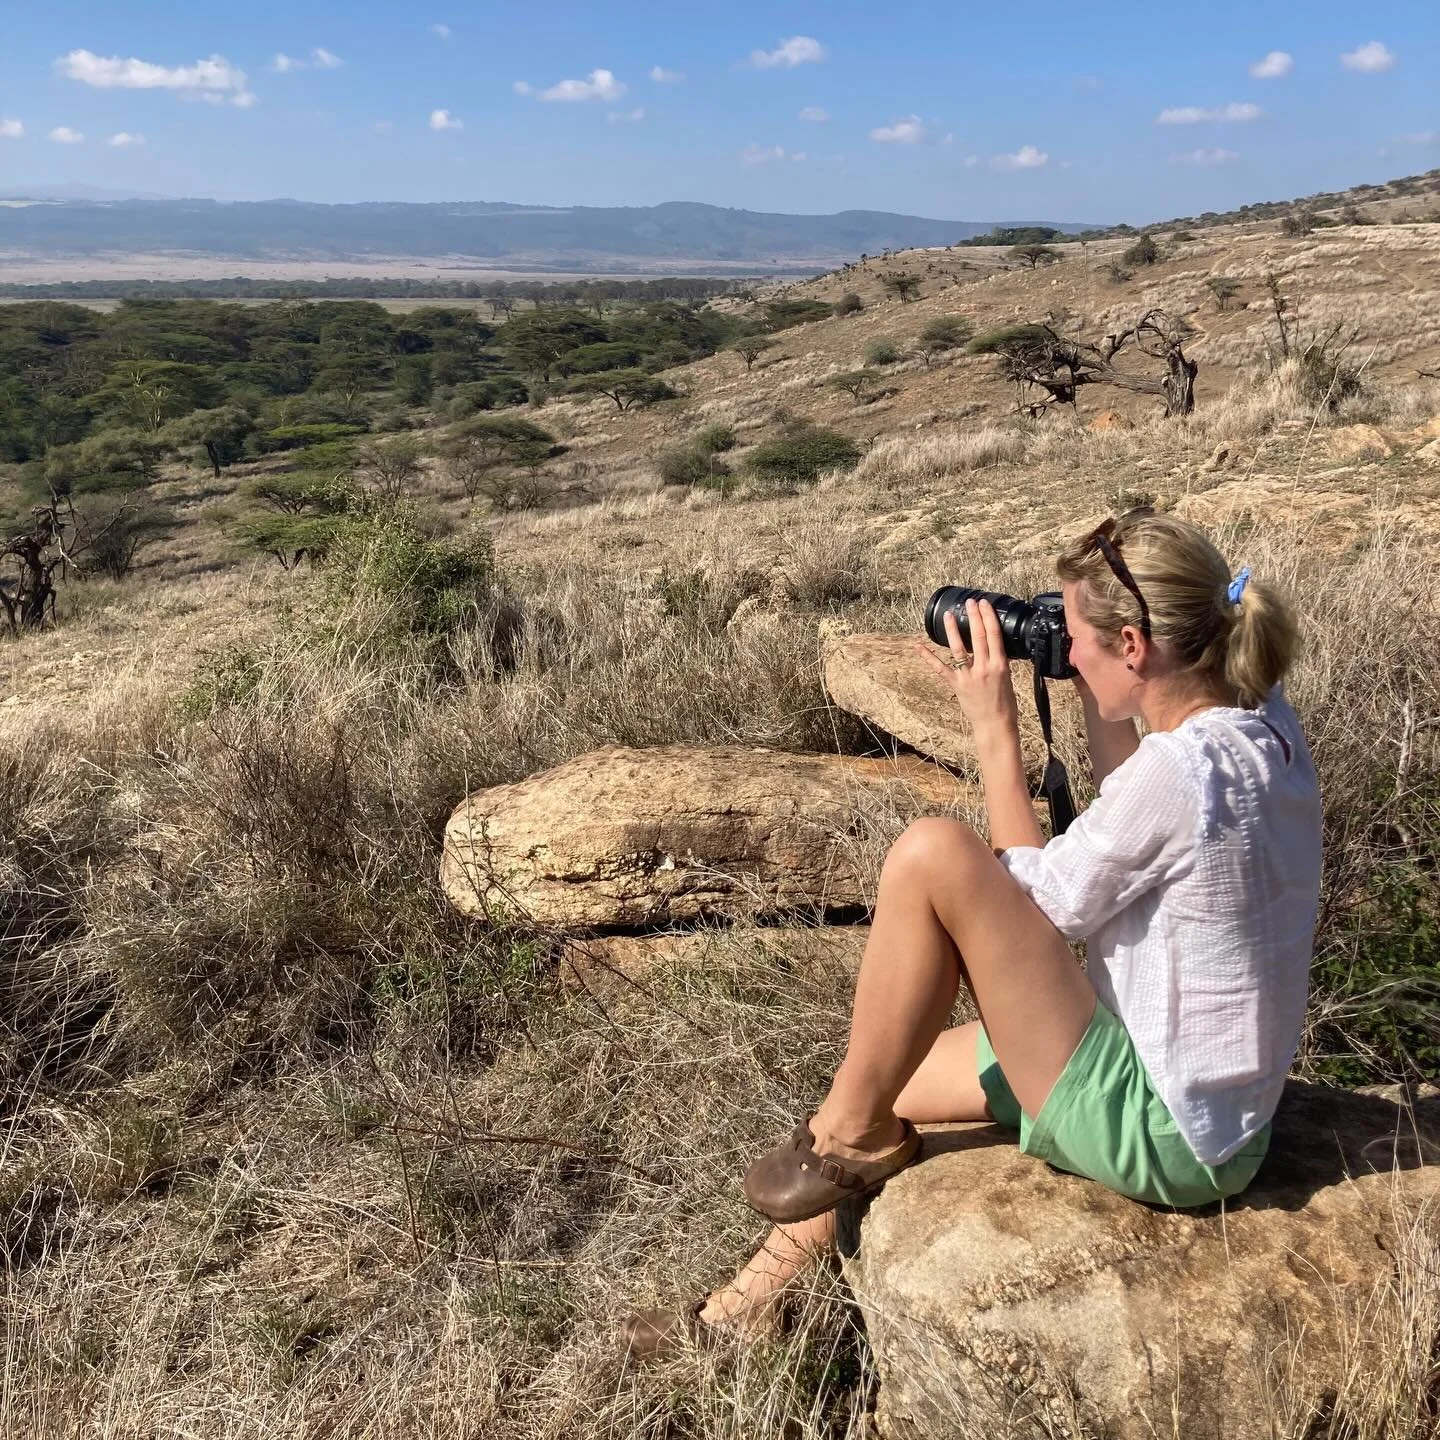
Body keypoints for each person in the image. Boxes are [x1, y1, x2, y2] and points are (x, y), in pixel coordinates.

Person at [619, 508, 1323, 1362]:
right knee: (892, 1075)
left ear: (1135, 648)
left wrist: (995, 730)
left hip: (1165, 1132)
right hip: (1219, 1115)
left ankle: (845, 1134)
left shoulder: (1181, 776)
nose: (1064, 643)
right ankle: (739, 1317)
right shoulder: (1262, 726)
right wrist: (1091, 688)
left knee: (932, 853)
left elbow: (1036, 908)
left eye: (1077, 633)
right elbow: (1135, 800)